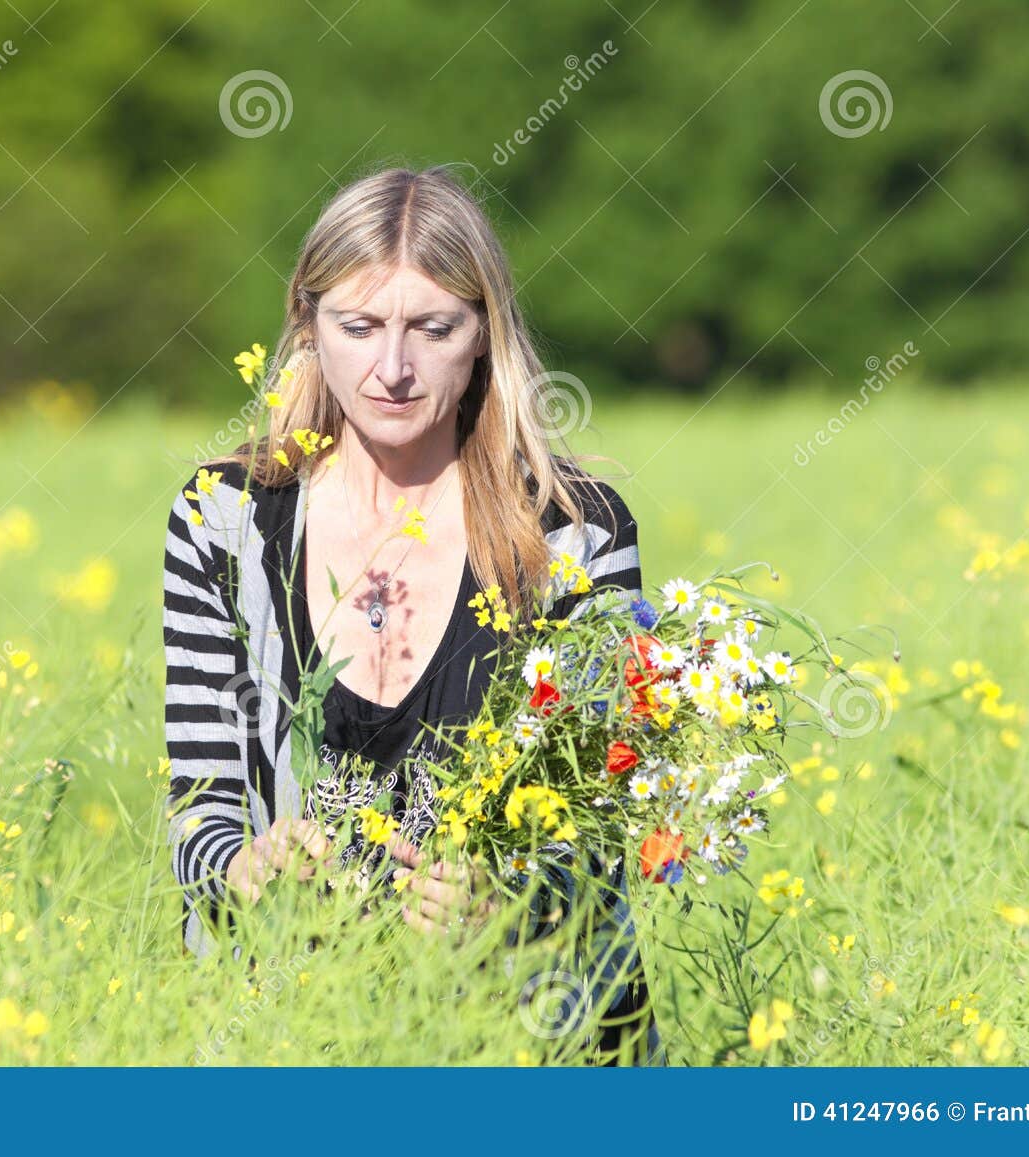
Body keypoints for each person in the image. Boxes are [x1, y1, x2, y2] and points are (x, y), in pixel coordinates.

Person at [162, 164, 662, 1064]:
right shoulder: (224, 519)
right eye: (358, 327)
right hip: (295, 1032)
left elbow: (610, 819)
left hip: (537, 1034)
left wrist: (508, 902)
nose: (392, 370)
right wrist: (247, 869)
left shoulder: (578, 532)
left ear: (483, 338)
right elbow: (198, 803)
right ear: (307, 324)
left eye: (433, 329)